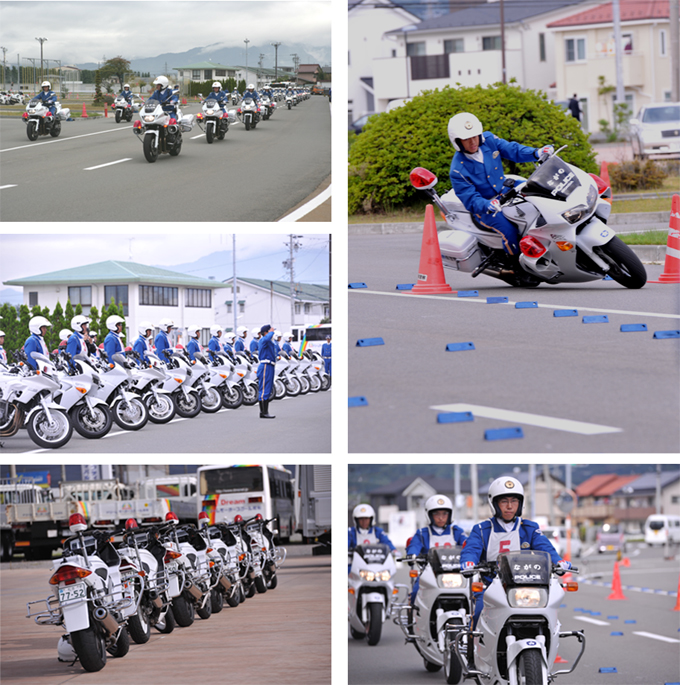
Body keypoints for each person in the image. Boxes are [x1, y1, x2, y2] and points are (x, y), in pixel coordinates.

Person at [460, 476, 570, 629]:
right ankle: (472, 647)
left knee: (548, 614)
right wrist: (468, 562)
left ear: (520, 504)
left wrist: (559, 562)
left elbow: (545, 547)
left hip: (525, 585)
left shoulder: (529, 528)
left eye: (514, 501)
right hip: (491, 585)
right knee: (479, 612)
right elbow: (471, 549)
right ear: (494, 504)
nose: (510, 506)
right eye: (504, 501)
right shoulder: (482, 529)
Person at [448, 112, 553, 259]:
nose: (472, 142)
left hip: (507, 189)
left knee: (540, 191)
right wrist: (488, 205)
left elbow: (513, 150)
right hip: (487, 207)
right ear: (457, 141)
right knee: (509, 230)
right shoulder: (458, 170)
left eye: (474, 136)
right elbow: (471, 200)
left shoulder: (489, 140)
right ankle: (515, 262)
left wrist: (536, 152)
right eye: (466, 139)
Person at [406, 495, 467, 606]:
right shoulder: (422, 533)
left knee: (472, 593)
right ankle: (413, 618)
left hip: (456, 572)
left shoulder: (456, 531)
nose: (441, 517)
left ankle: (470, 618)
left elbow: (467, 544)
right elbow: (414, 545)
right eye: (436, 514)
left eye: (444, 514)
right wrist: (412, 554)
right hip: (429, 573)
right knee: (415, 591)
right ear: (429, 515)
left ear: (450, 515)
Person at [348, 504, 396, 572]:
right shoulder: (350, 532)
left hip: (377, 565)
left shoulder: (378, 531)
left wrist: (394, 550)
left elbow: (387, 542)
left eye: (367, 518)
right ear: (356, 520)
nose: (364, 521)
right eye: (361, 519)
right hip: (356, 565)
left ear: (371, 519)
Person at [256, 325, 277, 419]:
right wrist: (271, 332)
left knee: (267, 388)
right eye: (270, 331)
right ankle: (263, 412)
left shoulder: (268, 341)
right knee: (264, 389)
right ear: (265, 332)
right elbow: (266, 338)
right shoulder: (263, 339)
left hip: (270, 365)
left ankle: (265, 411)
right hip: (265, 365)